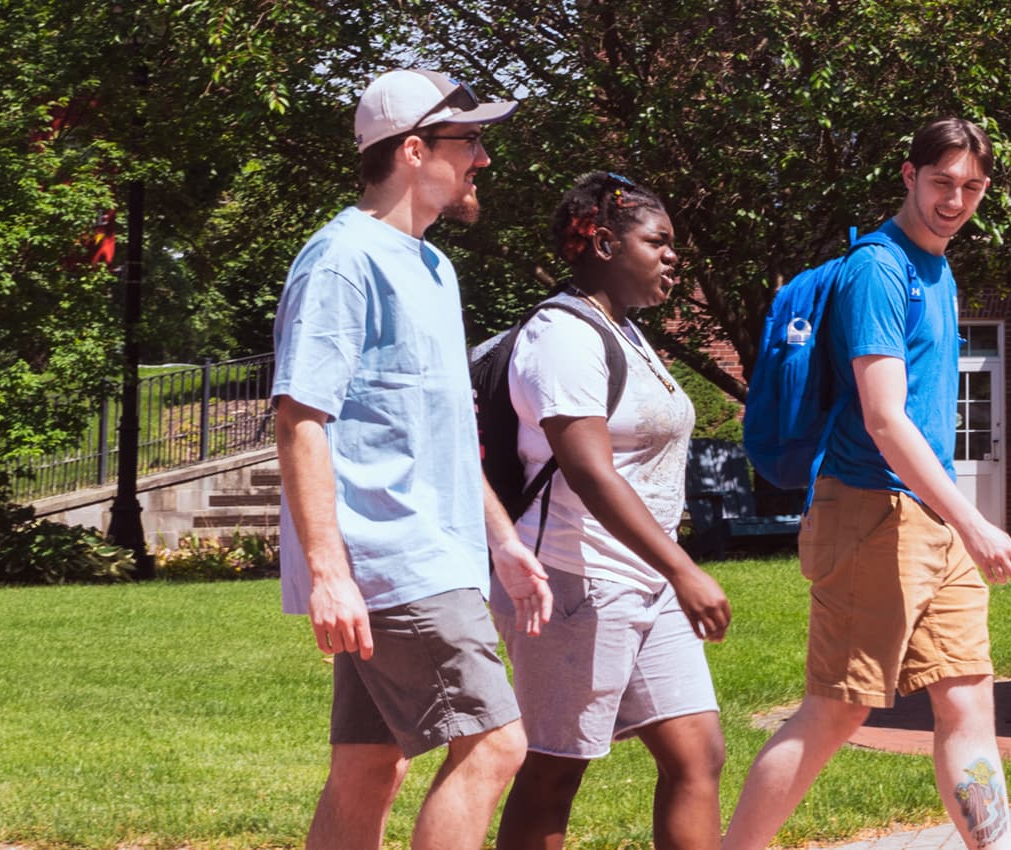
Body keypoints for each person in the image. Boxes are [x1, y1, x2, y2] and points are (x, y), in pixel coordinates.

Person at [722, 119, 1011, 850]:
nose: (955, 200)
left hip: (934, 519)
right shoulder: (879, 270)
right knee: (836, 711)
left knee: (967, 704)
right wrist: (976, 522)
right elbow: (886, 419)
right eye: (942, 182)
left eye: (972, 188)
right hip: (869, 515)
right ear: (908, 174)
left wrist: (956, 523)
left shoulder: (940, 268)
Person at [275, 69, 549, 850]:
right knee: (496, 744)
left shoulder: (432, 267)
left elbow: (449, 431)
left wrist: (501, 540)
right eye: (471, 142)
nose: (483, 161)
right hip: (396, 560)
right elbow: (299, 418)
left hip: (435, 553)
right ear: (415, 150)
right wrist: (330, 574)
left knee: (370, 767)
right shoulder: (342, 261)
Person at [491, 173, 733, 850]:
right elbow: (589, 471)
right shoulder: (563, 335)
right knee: (554, 769)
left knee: (697, 753)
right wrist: (685, 569)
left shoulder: (623, 332)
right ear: (602, 242)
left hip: (644, 584)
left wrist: (668, 574)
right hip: (577, 580)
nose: (673, 257)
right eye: (658, 241)